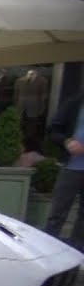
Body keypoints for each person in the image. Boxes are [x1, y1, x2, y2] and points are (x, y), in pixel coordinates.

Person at [44, 90, 84, 248]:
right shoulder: (74, 103)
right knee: (57, 212)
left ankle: (78, 251)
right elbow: (53, 130)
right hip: (71, 167)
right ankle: (48, 247)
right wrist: (67, 142)